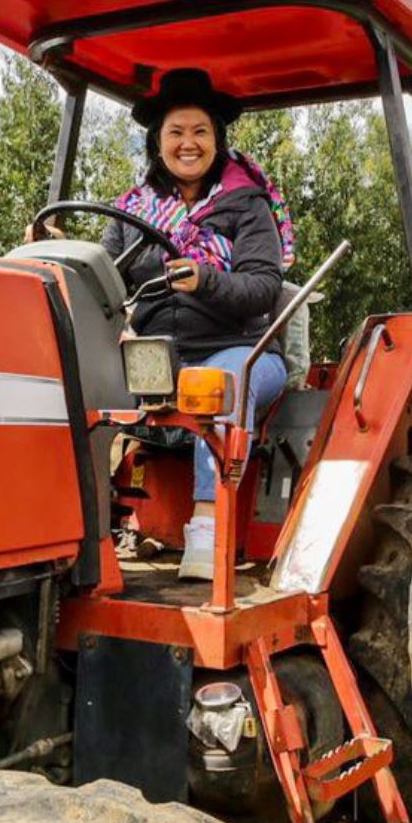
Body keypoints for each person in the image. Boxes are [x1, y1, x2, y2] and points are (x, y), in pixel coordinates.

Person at [100, 68, 294, 579]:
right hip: (157, 359)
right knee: (77, 379)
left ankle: (208, 532)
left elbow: (262, 288)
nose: (189, 143)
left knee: (220, 384)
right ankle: (87, 526)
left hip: (244, 351)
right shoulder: (132, 210)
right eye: (176, 132)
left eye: (200, 132)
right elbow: (104, 280)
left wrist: (205, 280)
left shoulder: (246, 205)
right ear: (157, 143)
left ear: (217, 140)